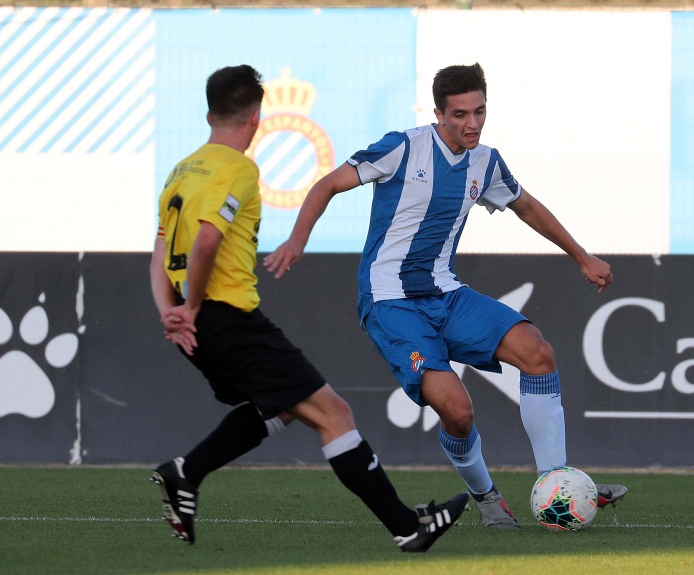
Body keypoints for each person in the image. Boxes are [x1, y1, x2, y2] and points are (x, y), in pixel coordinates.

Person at [264, 62, 627, 529]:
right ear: (438, 113)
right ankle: (487, 497)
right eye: (459, 114)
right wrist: (297, 240)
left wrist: (581, 256)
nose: (472, 123)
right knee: (457, 412)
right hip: (390, 301)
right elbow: (329, 184)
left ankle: (557, 481)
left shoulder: (486, 162)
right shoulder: (402, 147)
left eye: (479, 112)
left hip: (445, 292)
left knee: (537, 353)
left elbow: (527, 207)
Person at [149, 64, 469, 551]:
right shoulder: (238, 168)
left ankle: (186, 472)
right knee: (334, 413)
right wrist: (192, 307)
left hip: (194, 323)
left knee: (279, 406)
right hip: (227, 318)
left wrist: (171, 312)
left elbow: (159, 252)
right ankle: (408, 528)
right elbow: (208, 241)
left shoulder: (181, 171)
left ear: (209, 114)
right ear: (255, 119)